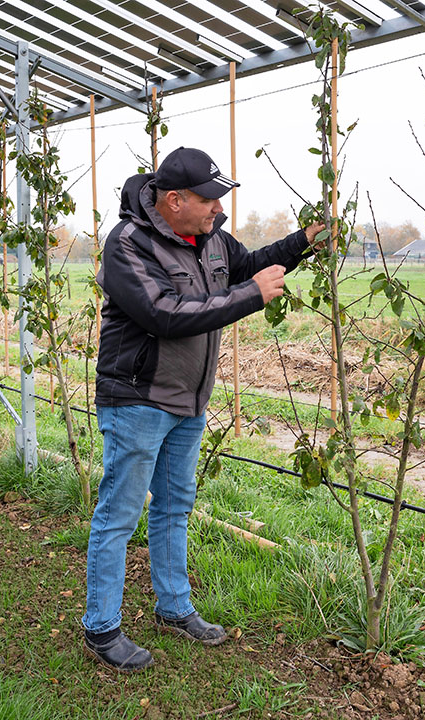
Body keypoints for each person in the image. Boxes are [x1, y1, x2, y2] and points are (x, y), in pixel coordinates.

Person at [82, 147, 323, 672]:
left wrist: (304, 241)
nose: (220, 209)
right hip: (138, 400)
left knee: (174, 508)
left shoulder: (210, 239)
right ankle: (101, 628)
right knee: (119, 514)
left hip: (189, 401)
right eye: (211, 199)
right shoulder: (129, 244)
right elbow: (163, 314)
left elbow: (253, 265)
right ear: (174, 200)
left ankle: (173, 607)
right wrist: (252, 298)